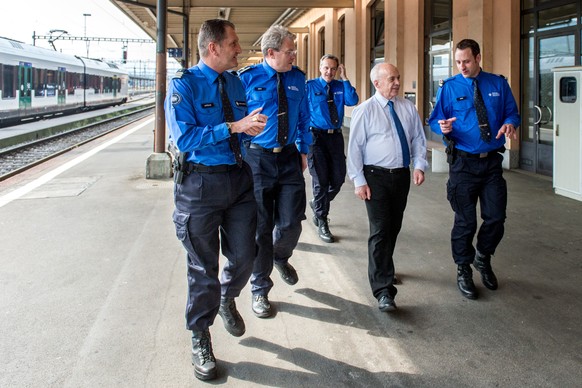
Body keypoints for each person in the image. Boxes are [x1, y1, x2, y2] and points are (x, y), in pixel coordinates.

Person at [164, 19, 267, 381]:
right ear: (214, 48)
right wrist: (235, 127)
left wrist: (251, 126)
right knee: (202, 269)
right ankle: (200, 337)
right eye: (235, 43)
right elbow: (186, 138)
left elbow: (239, 128)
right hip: (199, 187)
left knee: (244, 256)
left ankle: (227, 297)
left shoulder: (236, 82)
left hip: (237, 179)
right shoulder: (183, 86)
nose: (239, 49)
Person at [428, 39, 519, 300]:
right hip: (463, 163)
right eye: (458, 62)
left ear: (478, 57)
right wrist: (442, 127)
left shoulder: (498, 84)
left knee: (496, 217)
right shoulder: (450, 87)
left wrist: (510, 124)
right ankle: (463, 268)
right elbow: (435, 119)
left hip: (491, 162)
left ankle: (483, 256)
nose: (462, 66)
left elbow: (512, 113)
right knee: (465, 221)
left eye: (466, 61)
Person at [238, 25, 311, 319]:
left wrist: (305, 149)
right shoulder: (247, 79)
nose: (294, 54)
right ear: (271, 53)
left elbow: (304, 115)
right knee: (261, 229)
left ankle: (281, 256)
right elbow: (237, 120)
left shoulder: (298, 78)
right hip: (257, 160)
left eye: (293, 50)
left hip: (290, 158)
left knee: (292, 222)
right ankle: (259, 290)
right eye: (289, 51)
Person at [347, 63, 428, 312]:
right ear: (377, 83)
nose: (396, 82)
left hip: (401, 176)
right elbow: (354, 148)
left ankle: (384, 267)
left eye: (398, 77)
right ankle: (383, 290)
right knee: (381, 230)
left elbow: (418, 139)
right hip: (375, 177)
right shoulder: (365, 110)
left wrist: (419, 165)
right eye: (391, 78)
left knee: (393, 227)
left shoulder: (406, 108)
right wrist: (358, 180)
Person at [306, 54, 359, 243]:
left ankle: (317, 204)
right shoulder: (310, 87)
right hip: (316, 137)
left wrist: (345, 79)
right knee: (320, 180)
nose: (329, 72)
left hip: (335, 137)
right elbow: (301, 112)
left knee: (337, 178)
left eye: (333, 69)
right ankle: (322, 220)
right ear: (320, 67)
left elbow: (353, 101)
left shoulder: (339, 86)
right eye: (326, 68)